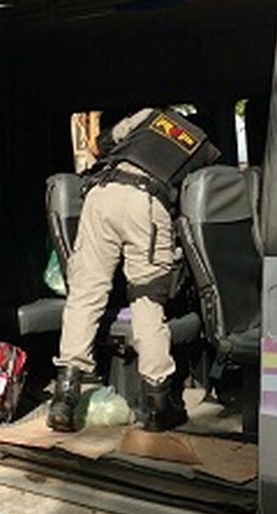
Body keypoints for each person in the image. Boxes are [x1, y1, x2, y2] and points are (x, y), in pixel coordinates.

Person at [47, 108, 220, 433]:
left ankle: (64, 397)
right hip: (145, 201)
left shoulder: (153, 116)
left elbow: (102, 144)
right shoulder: (205, 148)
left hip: (100, 194)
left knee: (85, 294)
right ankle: (157, 405)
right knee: (146, 299)